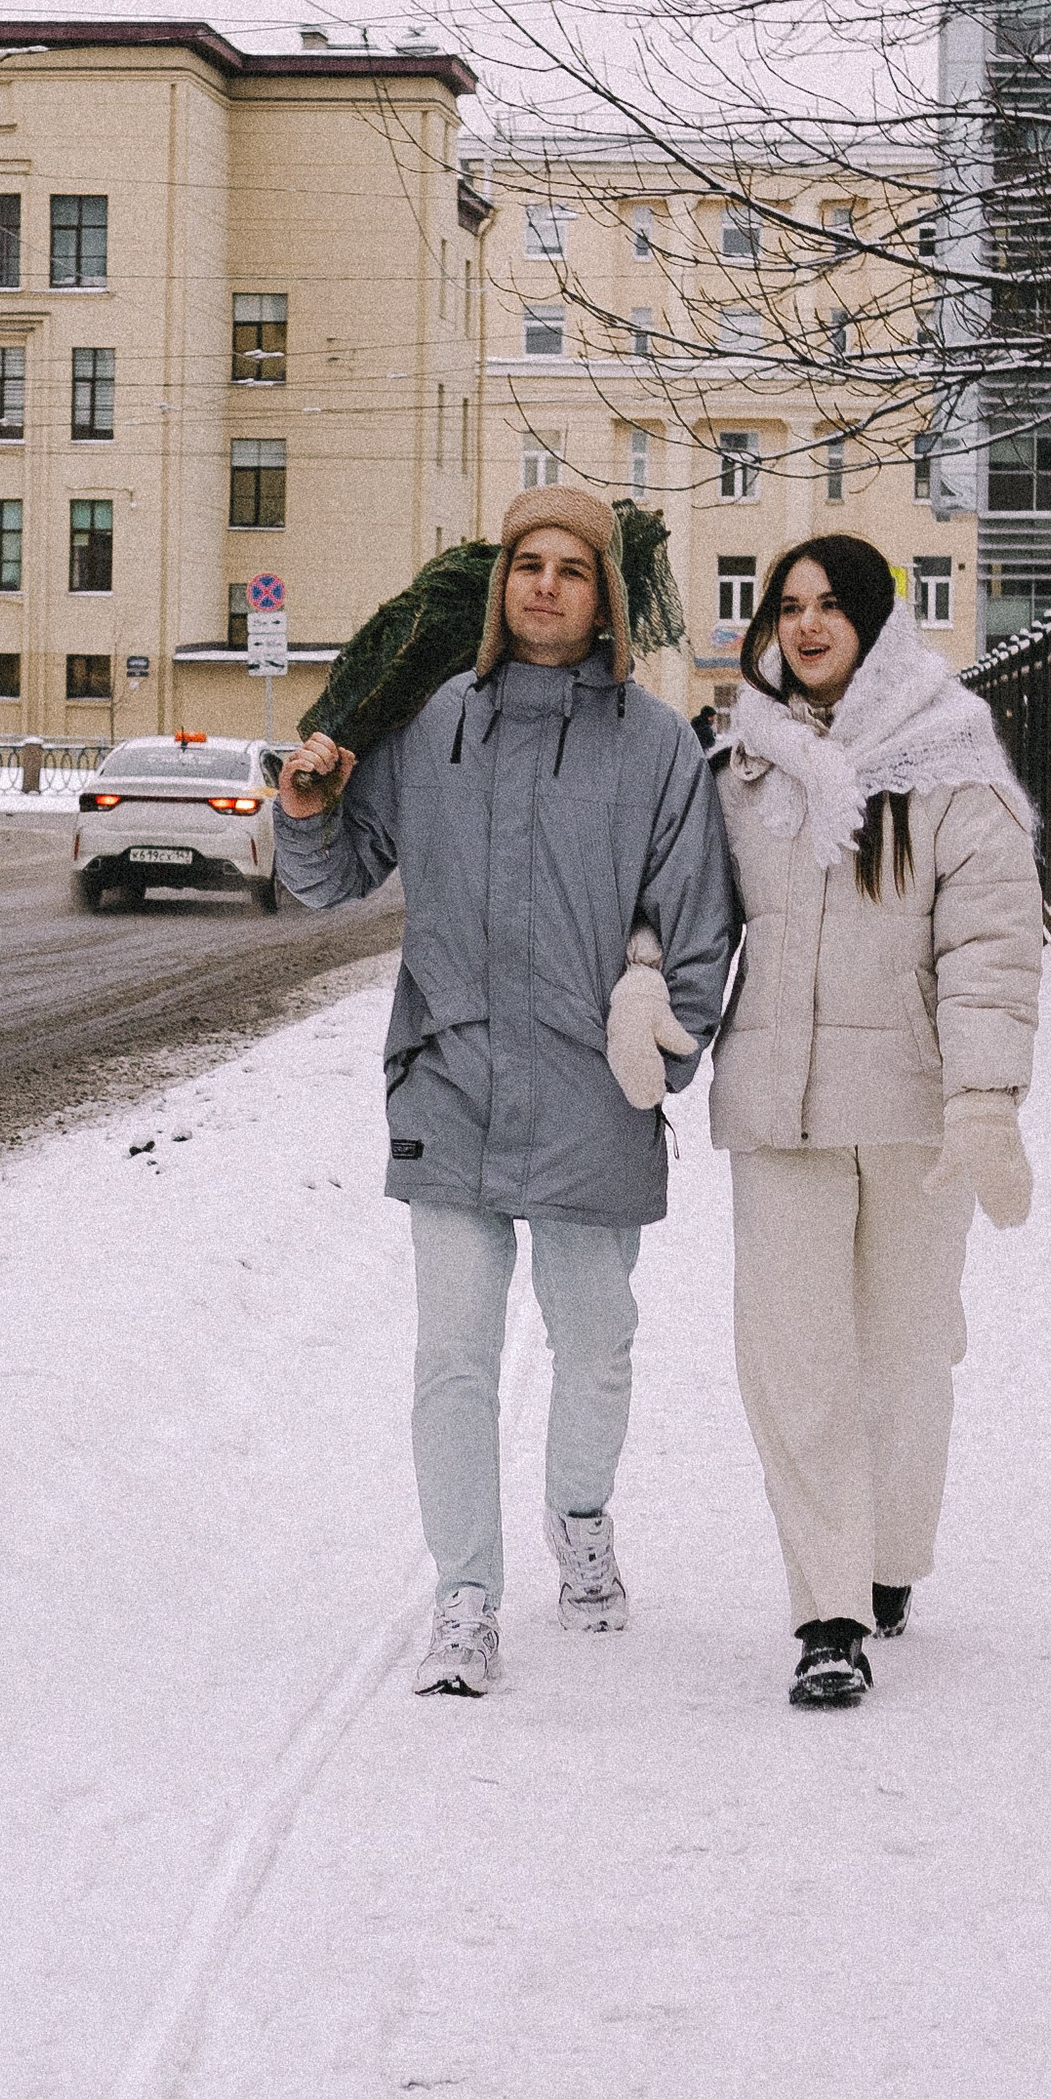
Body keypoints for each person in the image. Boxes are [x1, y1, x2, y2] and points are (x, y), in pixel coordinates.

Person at [276, 490, 737, 1695]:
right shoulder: (435, 725)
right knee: (453, 1359)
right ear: (498, 591)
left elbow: (699, 925)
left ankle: (579, 1519)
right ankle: (465, 1595)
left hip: (594, 1092)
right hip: (453, 1079)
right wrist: (307, 811)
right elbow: (335, 877)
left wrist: (661, 1053)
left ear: (605, 600)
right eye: (525, 565)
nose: (543, 586)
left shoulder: (656, 746)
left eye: (570, 570)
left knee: (596, 1344)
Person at [708, 537, 1041, 1710]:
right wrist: (651, 977)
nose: (803, 626)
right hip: (776, 1110)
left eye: (827, 605)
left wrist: (985, 1097)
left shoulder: (952, 762)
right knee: (794, 1363)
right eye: (785, 607)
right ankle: (830, 1609)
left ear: (875, 620)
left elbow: (992, 943)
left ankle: (891, 1553)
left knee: (905, 1358)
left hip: (910, 1115)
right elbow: (685, 909)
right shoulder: (743, 769)